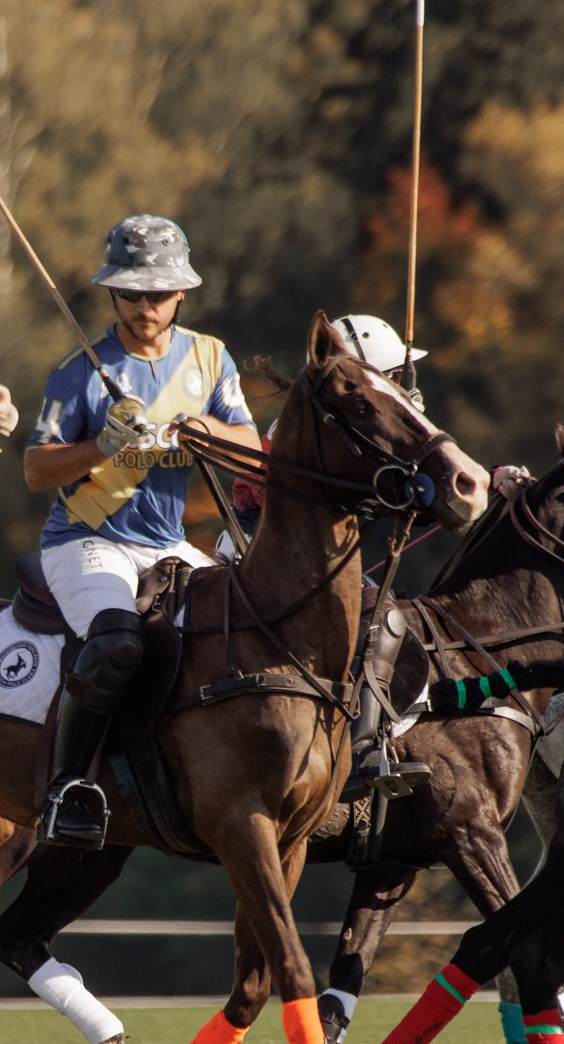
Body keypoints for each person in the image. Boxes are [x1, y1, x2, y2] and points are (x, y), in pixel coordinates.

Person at [27, 215, 261, 848]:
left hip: (166, 542)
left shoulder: (210, 357)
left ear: (181, 292)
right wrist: (100, 445)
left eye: (157, 293)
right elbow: (36, 470)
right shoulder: (79, 369)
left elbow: (249, 445)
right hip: (87, 539)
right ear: (113, 291)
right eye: (131, 293)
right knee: (116, 642)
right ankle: (68, 790)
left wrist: (207, 431)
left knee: (253, 625)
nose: (144, 306)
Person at [221, 313, 439, 800]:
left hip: (314, 558)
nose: (396, 383)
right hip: (260, 549)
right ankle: (359, 754)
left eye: (398, 378)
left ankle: (372, 745)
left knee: (392, 623)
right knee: (379, 620)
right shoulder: (306, 425)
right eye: (390, 376)